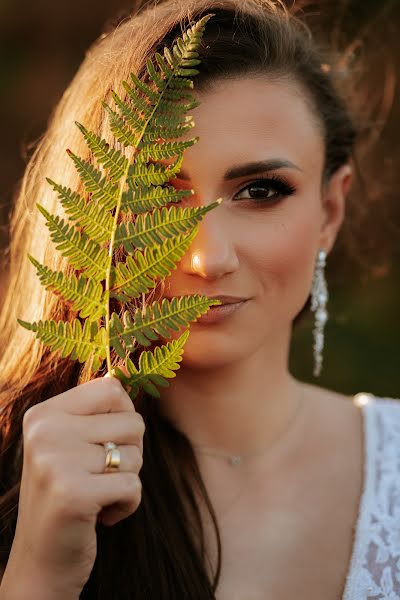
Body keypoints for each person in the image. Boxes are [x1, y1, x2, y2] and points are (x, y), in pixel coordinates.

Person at [0, 0, 399, 598]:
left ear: (330, 211)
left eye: (260, 191)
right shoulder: (16, 480)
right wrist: (40, 572)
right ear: (89, 213)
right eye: (161, 194)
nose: (209, 260)